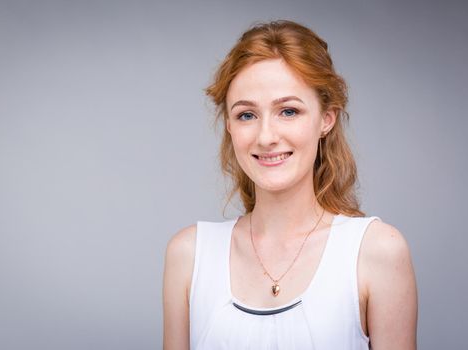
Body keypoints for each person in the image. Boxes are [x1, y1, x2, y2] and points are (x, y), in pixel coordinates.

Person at [163, 20, 417, 350]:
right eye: (246, 115)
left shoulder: (377, 252)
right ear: (229, 125)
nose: (266, 137)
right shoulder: (188, 255)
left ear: (326, 119)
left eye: (288, 111)